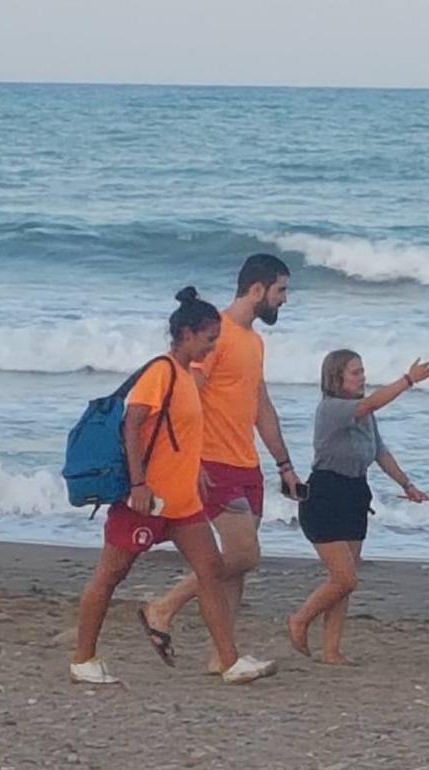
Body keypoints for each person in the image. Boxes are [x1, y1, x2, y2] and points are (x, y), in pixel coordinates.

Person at [70, 287, 276, 685]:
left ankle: (229, 661)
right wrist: (139, 483)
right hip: (147, 501)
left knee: (210, 570)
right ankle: (83, 658)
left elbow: (178, 433)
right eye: (209, 339)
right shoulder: (161, 372)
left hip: (183, 502)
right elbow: (132, 426)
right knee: (110, 575)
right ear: (186, 334)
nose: (212, 346)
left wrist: (194, 469)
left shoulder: (184, 375)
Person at [140, 254, 301, 674]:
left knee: (237, 568)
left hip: (247, 463)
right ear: (256, 289)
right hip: (214, 462)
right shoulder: (217, 334)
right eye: (281, 290)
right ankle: (163, 607)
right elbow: (186, 397)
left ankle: (223, 657)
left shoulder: (255, 342)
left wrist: (284, 464)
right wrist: (189, 460)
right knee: (244, 555)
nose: (284, 299)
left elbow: (261, 406)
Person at [288, 350, 429, 663]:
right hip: (326, 494)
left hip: (355, 492)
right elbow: (369, 404)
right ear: (336, 378)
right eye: (355, 373)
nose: (362, 377)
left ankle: (331, 650)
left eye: (362, 371)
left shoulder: (365, 415)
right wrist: (408, 380)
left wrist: (407, 485)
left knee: (345, 583)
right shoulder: (331, 408)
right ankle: (300, 619)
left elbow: (380, 452)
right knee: (344, 578)